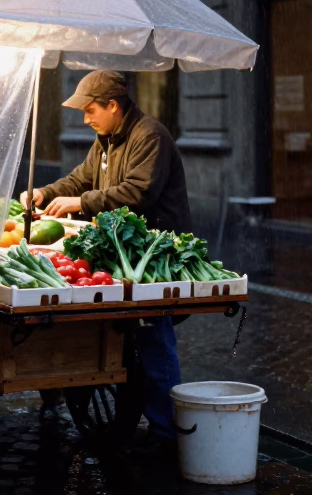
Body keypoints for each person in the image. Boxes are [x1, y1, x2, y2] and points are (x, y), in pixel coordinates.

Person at [20, 70, 190, 455]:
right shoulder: (106, 139)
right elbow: (82, 178)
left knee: (154, 337)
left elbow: (138, 193)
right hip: (121, 250)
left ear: (114, 106)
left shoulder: (151, 136)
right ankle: (94, 390)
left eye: (91, 109)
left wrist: (81, 203)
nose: (86, 118)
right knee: (119, 333)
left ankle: (166, 435)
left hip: (154, 255)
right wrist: (46, 192)